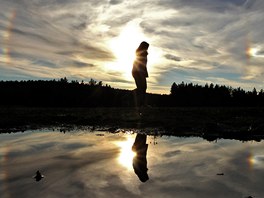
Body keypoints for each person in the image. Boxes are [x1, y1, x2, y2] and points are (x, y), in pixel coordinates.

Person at [132, 41, 149, 109]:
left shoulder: (143, 53)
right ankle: (141, 103)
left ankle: (142, 104)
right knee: (142, 88)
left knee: (143, 88)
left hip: (139, 71)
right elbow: (139, 64)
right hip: (138, 72)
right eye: (147, 47)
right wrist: (141, 74)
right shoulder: (141, 53)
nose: (147, 48)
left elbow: (144, 64)